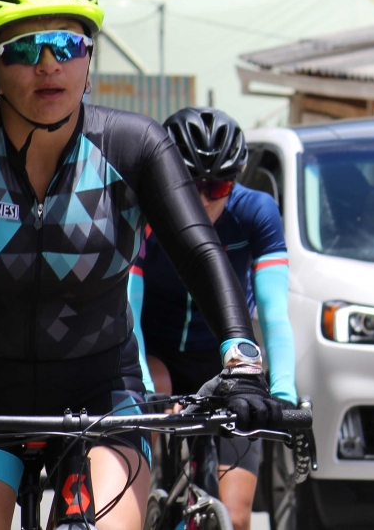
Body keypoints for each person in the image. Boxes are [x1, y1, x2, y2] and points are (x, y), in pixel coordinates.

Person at [0, 0, 284, 530]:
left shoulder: (135, 145)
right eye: (25, 50)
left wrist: (243, 358)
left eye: (68, 44)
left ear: (89, 58)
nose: (49, 66)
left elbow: (200, 253)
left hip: (101, 397)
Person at [129, 107, 297, 530]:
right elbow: (127, 307)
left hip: (226, 364)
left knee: (237, 518)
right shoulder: (143, 210)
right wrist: (145, 388)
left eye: (217, 186)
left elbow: (275, 313)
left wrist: (283, 392)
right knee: (156, 387)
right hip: (157, 356)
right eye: (189, 185)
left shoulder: (256, 211)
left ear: (235, 182)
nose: (203, 199)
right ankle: (146, 500)